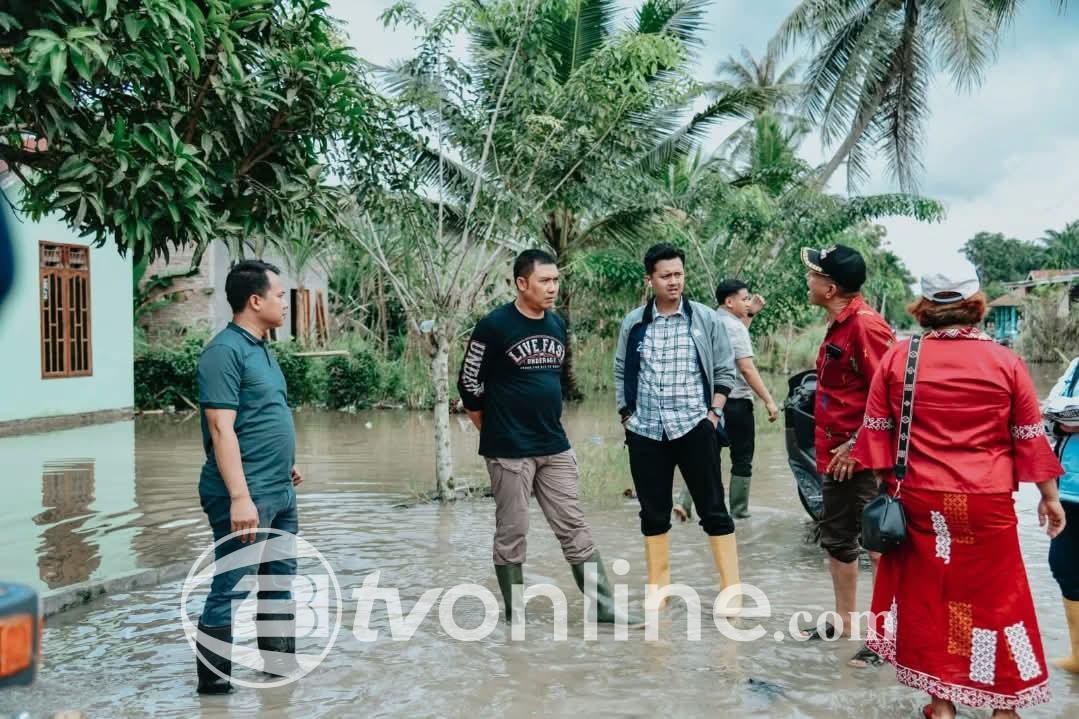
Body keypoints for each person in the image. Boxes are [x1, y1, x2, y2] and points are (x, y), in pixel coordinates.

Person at [853, 262, 1065, 719]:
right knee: (997, 601)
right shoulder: (1006, 362)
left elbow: (876, 440)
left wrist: (885, 489)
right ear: (975, 304)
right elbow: (1030, 436)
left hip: (922, 502)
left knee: (932, 598)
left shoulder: (900, 358)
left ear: (925, 308)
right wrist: (1049, 497)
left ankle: (942, 703)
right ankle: (1003, 707)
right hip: (987, 503)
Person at [457, 249, 638, 626]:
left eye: (556, 280)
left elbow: (551, 381)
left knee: (574, 525)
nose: (552, 288)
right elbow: (469, 384)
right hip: (509, 450)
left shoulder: (556, 325)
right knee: (513, 531)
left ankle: (604, 607)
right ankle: (516, 614)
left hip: (553, 445)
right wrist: (491, 431)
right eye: (545, 281)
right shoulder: (494, 325)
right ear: (522, 283)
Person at [194, 260, 304, 694]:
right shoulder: (224, 351)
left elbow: (261, 416)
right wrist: (240, 496)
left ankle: (279, 677)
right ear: (254, 300)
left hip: (278, 489)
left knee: (279, 582)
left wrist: (285, 462)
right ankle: (214, 692)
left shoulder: (262, 348)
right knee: (230, 587)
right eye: (279, 295)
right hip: (244, 495)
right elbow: (221, 428)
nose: (284, 302)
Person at [613, 243, 741, 612]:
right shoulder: (634, 323)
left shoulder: (704, 319)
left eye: (678, 274)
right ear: (650, 279)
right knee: (653, 512)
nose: (674, 282)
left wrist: (713, 415)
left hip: (694, 426)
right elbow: (622, 370)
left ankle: (730, 592)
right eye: (665, 275)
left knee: (713, 508)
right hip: (646, 430)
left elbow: (724, 369)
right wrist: (627, 414)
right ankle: (659, 592)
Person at [800, 244, 894, 668]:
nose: (809, 280)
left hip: (860, 458)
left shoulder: (866, 326)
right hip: (833, 454)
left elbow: (890, 395)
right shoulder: (838, 324)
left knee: (878, 544)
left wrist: (859, 445)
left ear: (830, 286)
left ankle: (887, 637)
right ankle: (844, 623)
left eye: (814, 275)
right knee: (838, 540)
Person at [673, 280, 779, 521]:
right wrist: (769, 400)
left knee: (704, 454)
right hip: (736, 402)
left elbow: (735, 340)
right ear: (729, 302)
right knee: (742, 459)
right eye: (744, 299)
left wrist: (749, 313)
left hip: (707, 401)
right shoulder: (734, 326)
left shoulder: (709, 319)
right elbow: (746, 367)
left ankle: (684, 503)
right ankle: (740, 513)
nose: (748, 302)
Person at [1045, 355, 1079, 674]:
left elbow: (1063, 413)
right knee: (1064, 566)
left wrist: (1065, 414)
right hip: (1068, 488)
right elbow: (1050, 412)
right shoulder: (1077, 365)